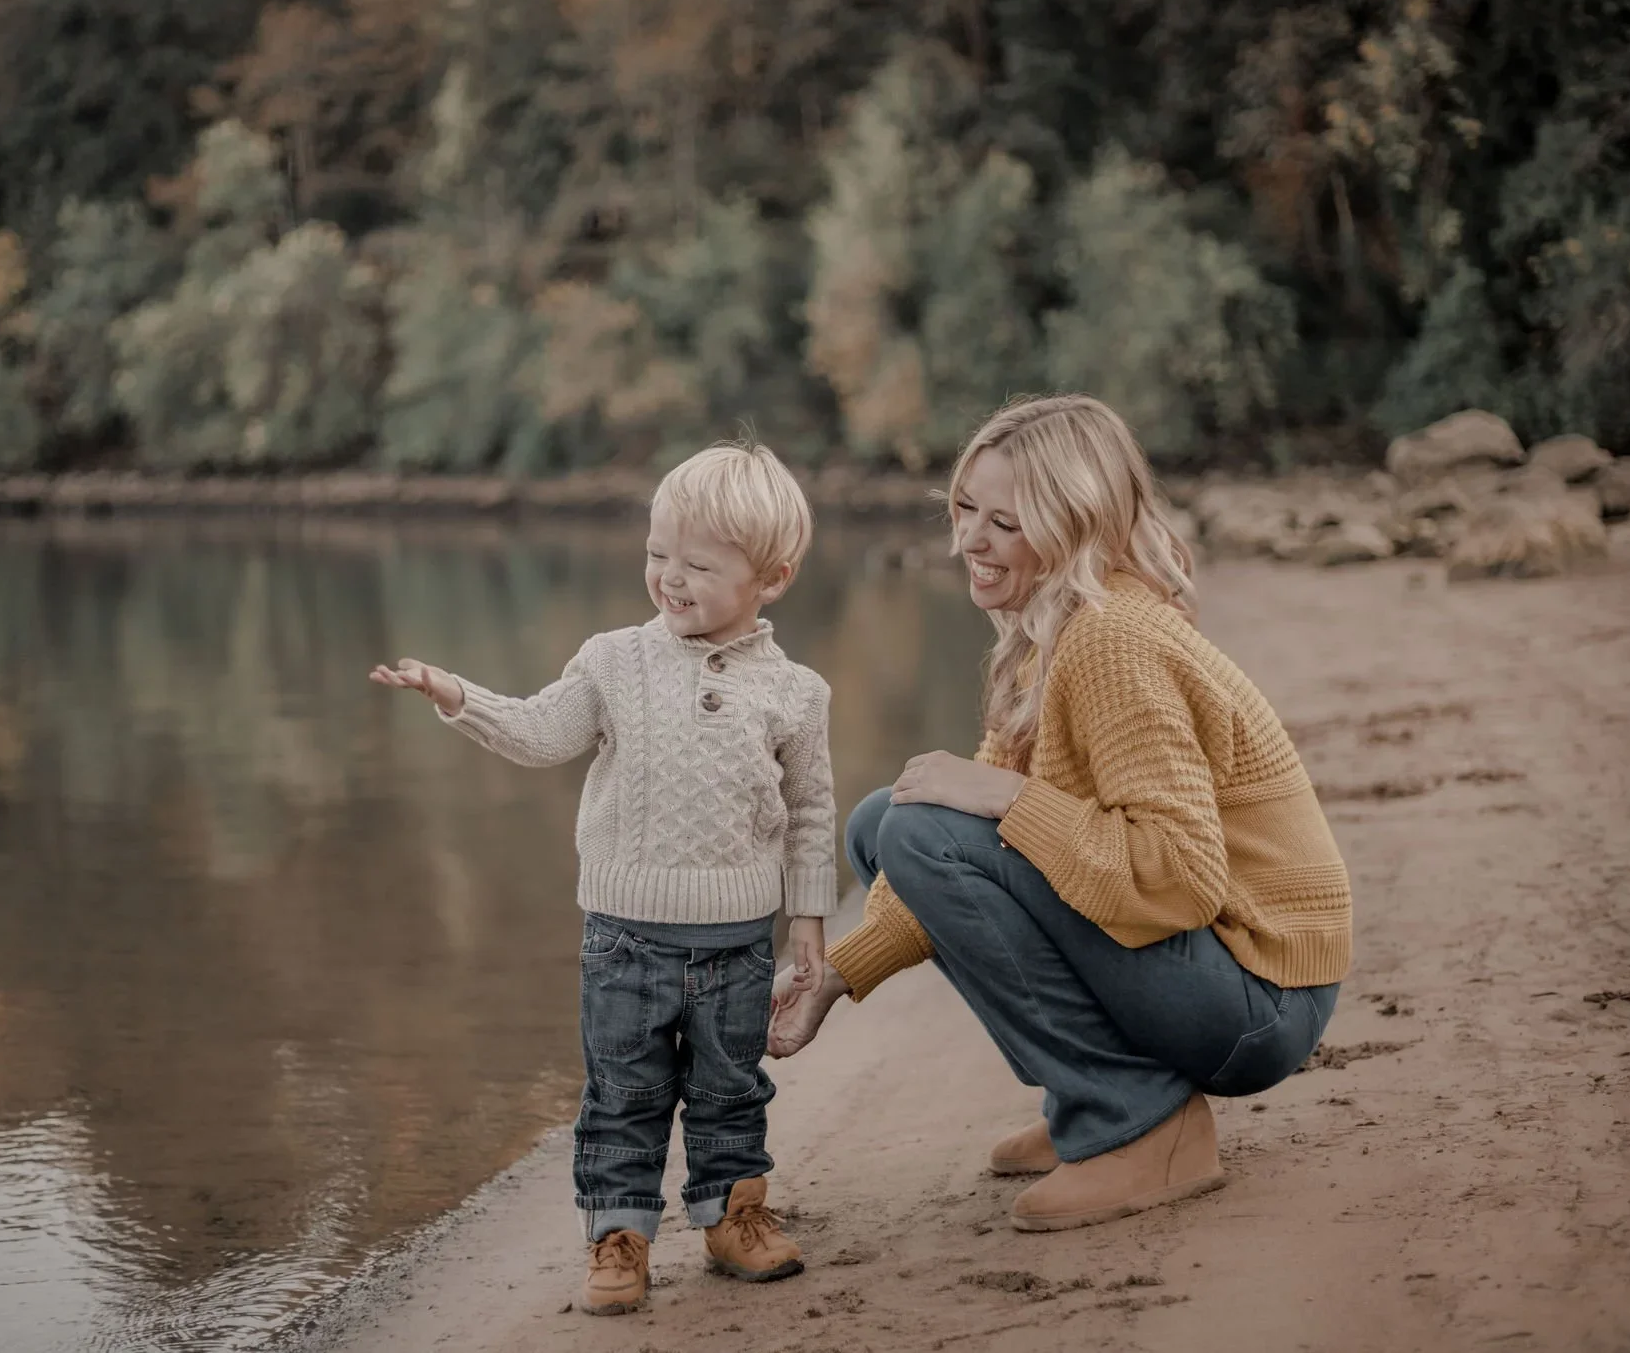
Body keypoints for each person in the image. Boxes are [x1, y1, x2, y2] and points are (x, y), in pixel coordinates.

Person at [768, 394, 1351, 1233]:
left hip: (1260, 997)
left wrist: (1007, 796)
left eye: (1005, 522)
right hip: (1221, 974)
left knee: (920, 828)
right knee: (885, 819)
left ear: (1075, 524)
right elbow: (962, 853)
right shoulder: (1053, 630)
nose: (968, 540)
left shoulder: (1111, 639)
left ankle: (1138, 1117)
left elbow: (1182, 879)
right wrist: (838, 974)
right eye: (966, 508)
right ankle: (1104, 1088)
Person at [372, 441, 835, 1314]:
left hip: (738, 943)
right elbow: (543, 732)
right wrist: (455, 694)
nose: (669, 576)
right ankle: (619, 1234)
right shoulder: (614, 660)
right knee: (625, 1093)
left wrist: (809, 917)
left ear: (771, 577)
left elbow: (810, 808)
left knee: (731, 1088)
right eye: (659, 553)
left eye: (698, 564)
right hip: (623, 939)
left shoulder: (797, 692)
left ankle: (734, 1213)